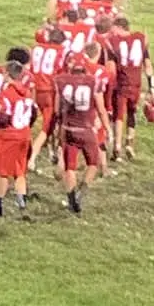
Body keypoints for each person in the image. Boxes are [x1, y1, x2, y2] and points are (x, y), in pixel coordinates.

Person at [54, 49, 110, 213]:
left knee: (69, 167)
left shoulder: (61, 80)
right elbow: (101, 109)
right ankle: (81, 194)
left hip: (68, 129)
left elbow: (57, 110)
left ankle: (71, 200)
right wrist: (107, 128)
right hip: (86, 129)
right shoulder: (93, 82)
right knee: (94, 164)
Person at [0, 61, 35, 218]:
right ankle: (21, 201)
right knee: (20, 171)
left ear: (7, 74)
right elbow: (33, 113)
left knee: (2, 172)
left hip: (10, 137)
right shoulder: (27, 92)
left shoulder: (6, 94)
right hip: (24, 135)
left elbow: (3, 117)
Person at [109, 15, 154, 162]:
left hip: (122, 82)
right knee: (132, 112)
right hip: (136, 83)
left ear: (120, 27)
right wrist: (151, 87)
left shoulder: (114, 42)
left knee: (119, 115)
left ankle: (117, 146)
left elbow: (112, 66)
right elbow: (148, 65)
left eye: (114, 28)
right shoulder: (140, 38)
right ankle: (129, 142)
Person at [28, 25, 66, 173]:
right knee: (47, 126)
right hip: (49, 91)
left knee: (27, 121)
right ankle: (32, 157)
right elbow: (61, 73)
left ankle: (43, 149)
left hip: (33, 88)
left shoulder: (37, 48)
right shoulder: (60, 51)